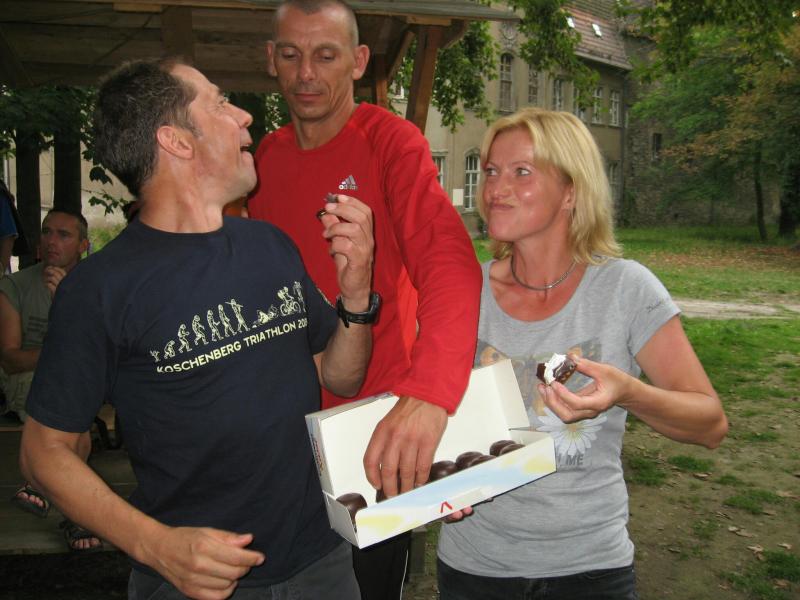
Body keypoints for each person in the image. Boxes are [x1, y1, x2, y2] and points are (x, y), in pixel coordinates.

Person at [20, 57, 376, 600]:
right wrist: (155, 545)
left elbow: (339, 375)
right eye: (219, 103)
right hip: (197, 582)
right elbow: (43, 451)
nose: (244, 117)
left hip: (321, 560)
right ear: (177, 141)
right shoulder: (99, 290)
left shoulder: (271, 246)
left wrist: (356, 298)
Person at [436, 107, 729, 600]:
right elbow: (426, 412)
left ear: (571, 191)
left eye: (521, 172)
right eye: (491, 171)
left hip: (590, 570)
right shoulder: (463, 289)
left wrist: (629, 392)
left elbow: (710, 424)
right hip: (474, 568)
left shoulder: (625, 289)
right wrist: (436, 483)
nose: (495, 189)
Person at [247, 1, 481, 596]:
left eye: (325, 56)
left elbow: (448, 263)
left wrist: (430, 394)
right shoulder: (262, 160)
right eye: (291, 55)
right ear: (270, 59)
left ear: (357, 61)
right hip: (282, 432)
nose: (306, 74)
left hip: (371, 433)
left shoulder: (391, 142)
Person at [1, 208, 102, 551]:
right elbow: (11, 360)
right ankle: (78, 515)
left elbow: (104, 351)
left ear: (84, 245)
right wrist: (65, 352)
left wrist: (66, 304)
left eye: (64, 234)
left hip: (83, 380)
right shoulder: (15, 286)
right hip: (30, 380)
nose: (51, 241)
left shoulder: (97, 284)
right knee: (73, 412)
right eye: (47, 232)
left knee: (73, 394)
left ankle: (40, 482)